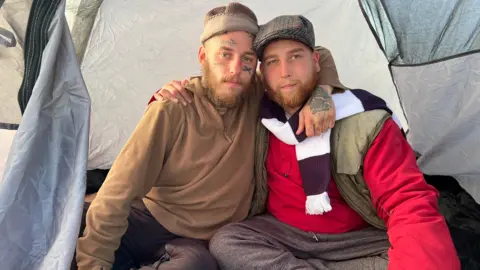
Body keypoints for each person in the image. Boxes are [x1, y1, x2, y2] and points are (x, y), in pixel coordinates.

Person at [159, 15, 460, 270]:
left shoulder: (363, 119)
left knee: (403, 250)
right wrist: (174, 96)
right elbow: (213, 102)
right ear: (262, 74)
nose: (286, 71)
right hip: (283, 234)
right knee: (227, 242)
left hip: (356, 240)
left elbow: (406, 202)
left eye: (295, 57)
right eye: (273, 62)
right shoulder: (259, 114)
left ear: (316, 62)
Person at [75, 3, 338, 270]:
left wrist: (323, 93)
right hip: (150, 219)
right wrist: (93, 264)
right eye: (225, 54)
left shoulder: (257, 93)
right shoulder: (173, 107)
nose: (236, 68)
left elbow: (319, 54)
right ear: (203, 56)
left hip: (195, 243)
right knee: (66, 223)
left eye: (247, 58)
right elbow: (118, 192)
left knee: (195, 265)